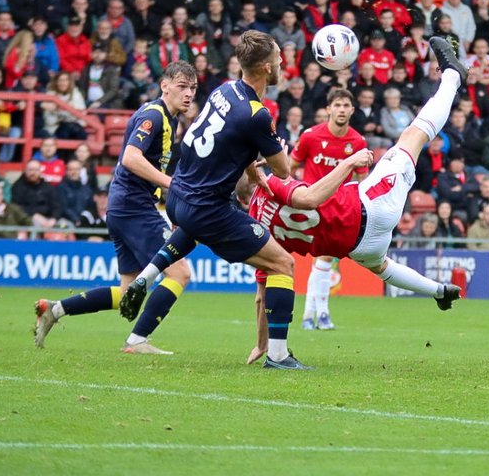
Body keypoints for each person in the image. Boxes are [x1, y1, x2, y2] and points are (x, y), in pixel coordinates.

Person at [241, 37, 468, 353]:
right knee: (413, 137)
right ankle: (453, 76)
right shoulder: (273, 187)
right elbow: (300, 192)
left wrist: (261, 344)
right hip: (367, 208)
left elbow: (261, 296)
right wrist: (347, 162)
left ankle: (438, 291)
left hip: (357, 246)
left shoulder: (256, 236)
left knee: (382, 267)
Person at [118, 31, 306, 370]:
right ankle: (278, 356)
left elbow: (230, 140)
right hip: (207, 207)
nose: (282, 64)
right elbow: (284, 170)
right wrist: (282, 151)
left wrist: (250, 170)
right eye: (279, 59)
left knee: (192, 227)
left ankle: (146, 276)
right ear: (266, 68)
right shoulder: (258, 114)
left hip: (180, 197)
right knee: (282, 264)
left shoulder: (224, 90)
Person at [35, 62, 197, 354]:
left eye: (193, 88)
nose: (188, 94)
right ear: (165, 86)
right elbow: (131, 158)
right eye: (182, 86)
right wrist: (172, 184)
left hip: (124, 207)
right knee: (180, 273)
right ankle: (137, 341)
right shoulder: (154, 116)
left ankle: (55, 310)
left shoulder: (169, 120)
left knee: (126, 292)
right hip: (134, 208)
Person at [289, 88, 368, 332]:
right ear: (328, 109)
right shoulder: (311, 136)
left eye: (346, 105)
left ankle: (309, 315)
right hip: (312, 205)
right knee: (323, 259)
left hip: (341, 209)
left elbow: (362, 181)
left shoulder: (357, 142)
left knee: (323, 261)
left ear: (352, 110)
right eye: (337, 105)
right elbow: (291, 167)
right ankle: (320, 315)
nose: (342, 110)